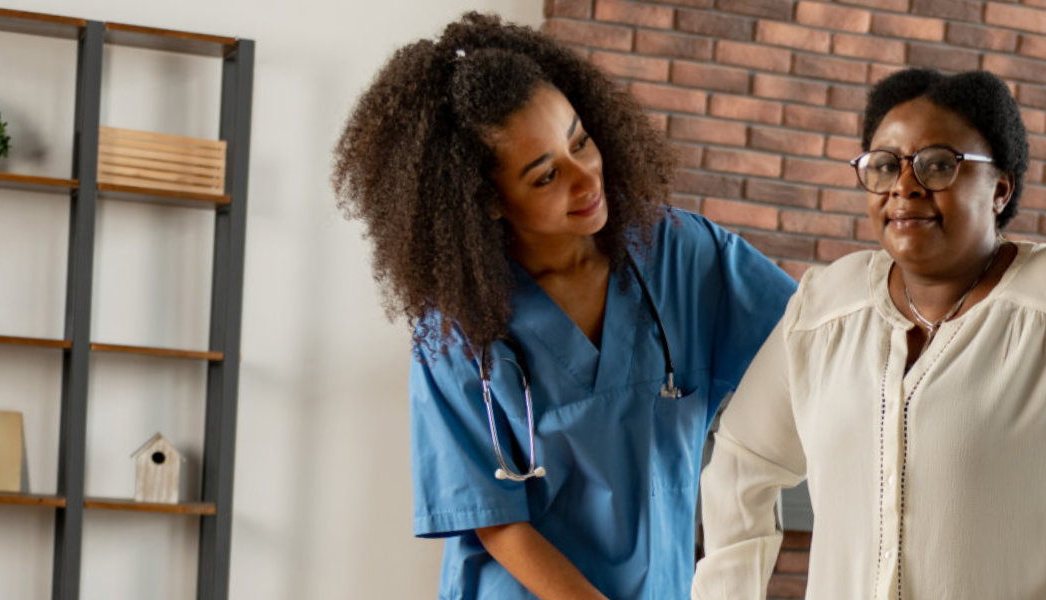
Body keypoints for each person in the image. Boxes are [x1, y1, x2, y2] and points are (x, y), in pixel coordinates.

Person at [692, 68, 1046, 600]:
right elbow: (740, 461)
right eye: (884, 166)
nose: (904, 186)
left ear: (1000, 187)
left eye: (937, 165)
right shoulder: (822, 310)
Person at [332, 13, 794, 599]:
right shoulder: (456, 328)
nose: (586, 179)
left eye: (580, 141)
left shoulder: (680, 253)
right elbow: (495, 518)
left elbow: (814, 346)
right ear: (490, 202)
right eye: (546, 175)